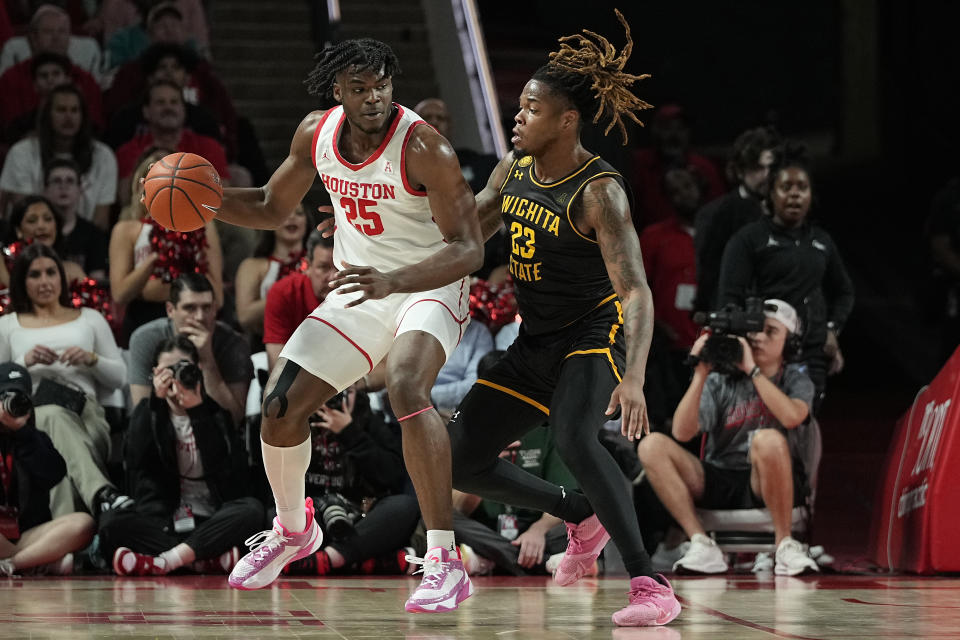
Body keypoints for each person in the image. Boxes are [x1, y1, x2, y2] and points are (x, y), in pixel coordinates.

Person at [212, 38, 484, 613]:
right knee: (281, 407)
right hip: (362, 286)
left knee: (409, 385)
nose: (374, 98)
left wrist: (397, 280)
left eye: (382, 85)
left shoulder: (425, 147)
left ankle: (444, 560)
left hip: (430, 282)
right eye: (359, 88)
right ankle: (294, 530)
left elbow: (469, 249)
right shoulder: (316, 133)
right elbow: (267, 205)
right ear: (337, 92)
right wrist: (203, 201)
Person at [445, 11, 681, 627]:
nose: (517, 116)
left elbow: (637, 292)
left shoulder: (599, 191)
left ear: (567, 119)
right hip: (536, 342)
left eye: (530, 108)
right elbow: (463, 234)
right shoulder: (512, 170)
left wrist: (632, 378)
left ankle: (650, 584)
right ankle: (578, 511)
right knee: (462, 458)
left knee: (576, 437)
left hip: (593, 333)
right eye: (519, 108)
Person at [636, 299, 820, 576]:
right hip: (719, 476)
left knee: (766, 438)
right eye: (755, 330)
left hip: (768, 479)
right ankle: (700, 541)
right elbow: (682, 432)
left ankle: (785, 545)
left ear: (790, 342)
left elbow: (792, 416)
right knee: (652, 445)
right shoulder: (722, 379)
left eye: (770, 331)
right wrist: (700, 373)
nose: (758, 337)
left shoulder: (795, 377)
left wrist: (753, 371)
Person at [99, 335, 264, 576]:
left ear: (197, 371)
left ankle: (165, 560)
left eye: (183, 368)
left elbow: (231, 476)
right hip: (163, 522)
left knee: (252, 510)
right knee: (111, 523)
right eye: (168, 370)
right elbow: (135, 459)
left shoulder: (215, 414)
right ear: (155, 373)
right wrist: (156, 402)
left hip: (211, 520)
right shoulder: (148, 412)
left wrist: (197, 411)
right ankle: (200, 560)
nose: (176, 376)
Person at [717, 143, 855, 409]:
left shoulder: (822, 242)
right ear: (770, 193)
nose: (794, 195)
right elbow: (729, 298)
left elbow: (844, 291)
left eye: (802, 188)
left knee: (801, 427)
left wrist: (831, 329)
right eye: (786, 187)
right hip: (764, 357)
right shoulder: (749, 240)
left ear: (811, 195)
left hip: (810, 355)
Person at [0, 243, 130, 519]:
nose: (45, 281)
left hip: (86, 415)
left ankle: (64, 546)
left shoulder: (90, 318)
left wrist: (91, 359)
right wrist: (25, 362)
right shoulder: (8, 324)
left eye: (51, 272)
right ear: (22, 281)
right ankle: (103, 496)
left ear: (62, 276)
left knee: (55, 438)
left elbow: (120, 378)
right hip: (30, 418)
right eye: (35, 275)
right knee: (50, 419)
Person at [282, 384, 420, 577]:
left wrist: (350, 433)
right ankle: (358, 560)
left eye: (343, 391)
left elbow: (391, 476)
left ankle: (331, 558)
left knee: (405, 505)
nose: (333, 400)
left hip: (359, 520)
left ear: (357, 393)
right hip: (312, 518)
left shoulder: (368, 420)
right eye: (326, 392)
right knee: (274, 512)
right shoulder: (292, 419)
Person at [109, 158, 223, 346]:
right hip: (143, 316)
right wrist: (159, 254)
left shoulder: (202, 226)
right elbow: (120, 294)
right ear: (143, 185)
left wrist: (189, 249)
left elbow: (217, 297)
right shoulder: (126, 229)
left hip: (195, 316)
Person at [0, 362, 96, 577]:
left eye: (19, 398)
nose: (11, 405)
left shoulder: (34, 438)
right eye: (5, 397)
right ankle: (37, 561)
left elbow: (53, 474)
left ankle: (14, 564)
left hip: (26, 534)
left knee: (83, 523)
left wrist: (23, 434)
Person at [128, 274, 251, 427]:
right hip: (163, 432)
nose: (199, 317)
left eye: (206, 308)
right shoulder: (146, 339)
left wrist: (207, 360)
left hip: (214, 436)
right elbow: (143, 418)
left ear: (214, 309)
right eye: (190, 308)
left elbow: (233, 418)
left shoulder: (233, 344)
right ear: (170, 310)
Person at [0, 84, 117, 228]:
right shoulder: (21, 153)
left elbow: (100, 221)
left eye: (74, 110)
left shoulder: (103, 156)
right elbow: (25, 214)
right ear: (48, 114)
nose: (68, 117)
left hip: (84, 243)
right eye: (61, 110)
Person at [640, 167, 701, 432]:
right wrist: (657, 326)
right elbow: (635, 287)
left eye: (687, 187)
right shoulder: (654, 237)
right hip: (669, 345)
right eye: (674, 192)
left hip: (707, 341)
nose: (682, 196)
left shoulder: (717, 231)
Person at [693, 126, 778, 315]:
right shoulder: (715, 214)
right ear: (739, 171)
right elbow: (709, 275)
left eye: (771, 168)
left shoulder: (786, 211)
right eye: (757, 168)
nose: (766, 175)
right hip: (734, 316)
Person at [114, 79, 230, 184]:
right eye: (160, 102)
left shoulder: (208, 147)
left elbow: (223, 191)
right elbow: (126, 199)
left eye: (174, 102)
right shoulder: (129, 151)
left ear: (184, 110)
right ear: (146, 111)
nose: (168, 108)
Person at [629, 103, 725, 230]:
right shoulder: (639, 164)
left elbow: (720, 209)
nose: (674, 135)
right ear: (655, 131)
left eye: (680, 128)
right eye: (667, 128)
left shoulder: (703, 167)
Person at [234, 203, 309, 337]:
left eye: (299, 213)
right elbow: (244, 317)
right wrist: (286, 291)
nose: (292, 217)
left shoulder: (319, 264)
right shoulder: (252, 266)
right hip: (264, 346)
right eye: (285, 213)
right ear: (270, 223)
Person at [42, 158, 109, 280]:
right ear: (45, 190)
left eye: (70, 181)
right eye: (57, 181)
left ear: (80, 189)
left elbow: (98, 280)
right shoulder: (38, 232)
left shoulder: (94, 235)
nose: (63, 186)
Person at [4, 195, 87, 284]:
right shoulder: (4, 269)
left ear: (56, 227)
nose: (41, 226)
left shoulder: (73, 272)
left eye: (48, 219)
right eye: (32, 220)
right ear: (18, 231)